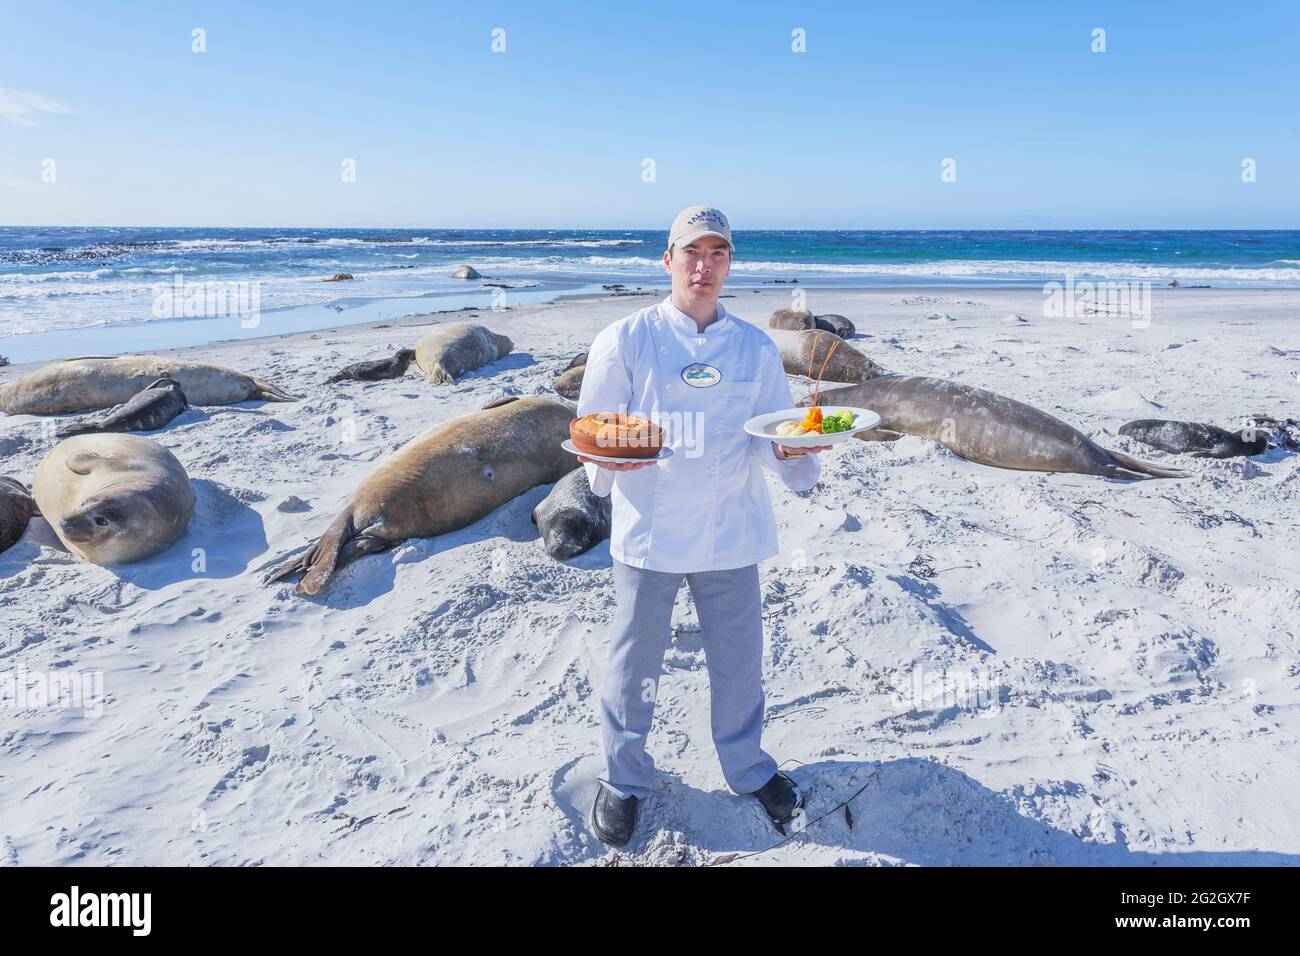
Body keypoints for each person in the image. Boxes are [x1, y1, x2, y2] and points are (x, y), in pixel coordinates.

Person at [576, 205, 832, 847]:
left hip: (730, 527)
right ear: (667, 260)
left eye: (718, 253)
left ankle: (748, 768)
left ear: (729, 264)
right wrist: (604, 462)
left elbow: (772, 434)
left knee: (740, 661)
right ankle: (623, 777)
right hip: (651, 528)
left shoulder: (752, 346)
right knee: (634, 662)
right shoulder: (625, 339)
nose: (704, 264)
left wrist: (795, 450)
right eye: (692, 251)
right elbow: (594, 433)